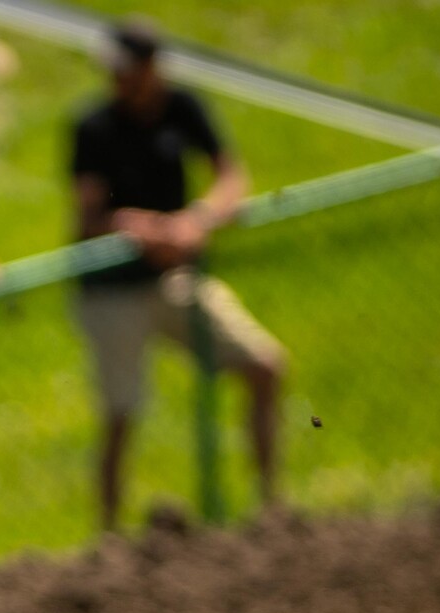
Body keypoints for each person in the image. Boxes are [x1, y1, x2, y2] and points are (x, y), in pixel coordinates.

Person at [70, 19, 288, 530]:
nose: (116, 81)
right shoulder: (93, 126)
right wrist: (135, 226)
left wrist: (197, 221)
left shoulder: (183, 109)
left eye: (125, 71)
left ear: (151, 68)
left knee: (265, 366)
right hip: (114, 289)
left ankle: (272, 509)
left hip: (175, 279)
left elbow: (231, 178)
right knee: (121, 414)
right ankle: (110, 536)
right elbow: (88, 216)